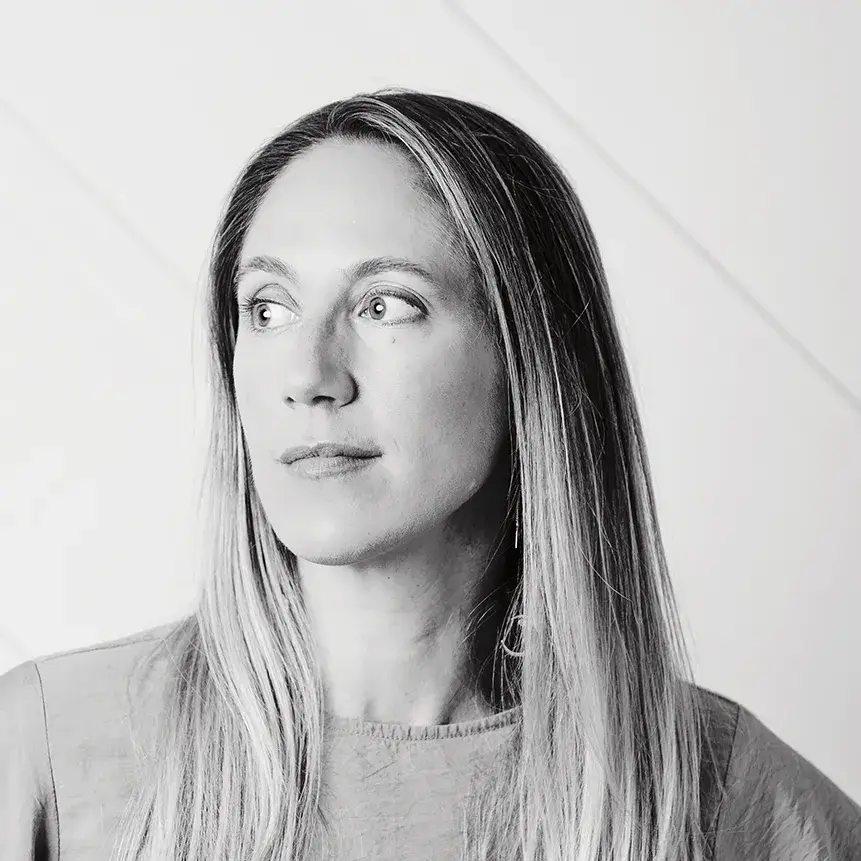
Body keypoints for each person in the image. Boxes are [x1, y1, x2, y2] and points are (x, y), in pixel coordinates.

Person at [1, 88, 859, 861]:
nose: (308, 373)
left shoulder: (716, 793)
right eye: (267, 308)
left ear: (529, 358)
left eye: (385, 305)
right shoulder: (44, 748)